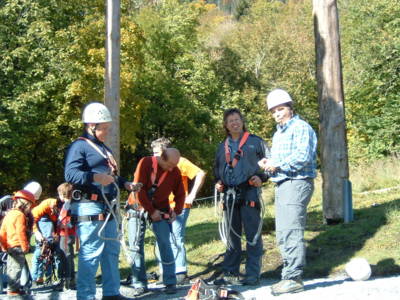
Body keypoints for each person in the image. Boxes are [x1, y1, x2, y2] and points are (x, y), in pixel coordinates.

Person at [64, 102, 137, 300]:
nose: (107, 132)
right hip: (90, 204)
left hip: (108, 206)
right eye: (103, 128)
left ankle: (111, 293)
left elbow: (110, 175)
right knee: (90, 252)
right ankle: (86, 296)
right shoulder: (79, 146)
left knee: (111, 250)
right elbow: (71, 173)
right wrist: (94, 178)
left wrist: (125, 184)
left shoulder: (103, 149)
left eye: (107, 128)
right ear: (91, 126)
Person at [259, 88, 317, 295]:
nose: (277, 114)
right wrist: (269, 163)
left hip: (298, 182)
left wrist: (277, 165)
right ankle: (289, 276)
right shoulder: (278, 134)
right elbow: (280, 161)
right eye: (273, 111)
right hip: (283, 184)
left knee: (291, 230)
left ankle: (294, 277)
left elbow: (303, 157)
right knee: (283, 232)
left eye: (281, 109)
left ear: (290, 108)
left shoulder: (301, 127)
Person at [214, 108, 269, 286]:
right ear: (226, 125)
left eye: (237, 119)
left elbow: (271, 163)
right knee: (231, 236)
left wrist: (262, 177)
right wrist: (217, 182)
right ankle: (231, 273)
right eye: (230, 121)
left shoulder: (255, 142)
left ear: (242, 121)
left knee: (252, 235)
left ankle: (253, 274)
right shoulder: (222, 147)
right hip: (229, 196)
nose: (234, 123)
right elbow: (217, 170)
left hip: (250, 192)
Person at [126, 147, 185, 296]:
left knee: (165, 243)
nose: (172, 168)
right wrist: (151, 211)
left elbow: (180, 193)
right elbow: (139, 190)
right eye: (170, 164)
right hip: (138, 207)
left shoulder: (175, 171)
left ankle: (170, 281)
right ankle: (140, 283)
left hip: (161, 209)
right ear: (162, 158)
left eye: (175, 165)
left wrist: (176, 211)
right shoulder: (145, 163)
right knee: (135, 246)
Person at [151, 138, 206, 284]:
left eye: (156, 152)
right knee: (161, 239)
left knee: (175, 238)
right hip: (160, 207)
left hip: (178, 207)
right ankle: (164, 272)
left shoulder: (181, 161)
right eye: (153, 153)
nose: (154, 155)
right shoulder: (154, 164)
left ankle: (180, 272)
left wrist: (192, 195)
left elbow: (200, 173)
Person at [0, 181, 42, 294]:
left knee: (11, 267)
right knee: (17, 268)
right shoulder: (20, 215)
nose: (30, 209)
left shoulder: (9, 214)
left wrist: (3, 246)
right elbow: (20, 232)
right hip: (18, 246)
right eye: (30, 206)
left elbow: (2, 231)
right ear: (26, 204)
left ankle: (12, 287)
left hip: (9, 246)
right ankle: (13, 289)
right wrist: (25, 246)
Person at [30, 192, 66, 290]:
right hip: (42, 222)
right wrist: (36, 232)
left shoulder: (63, 208)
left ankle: (48, 277)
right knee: (41, 251)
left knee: (52, 252)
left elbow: (58, 222)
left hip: (52, 226)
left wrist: (57, 234)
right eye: (58, 210)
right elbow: (33, 217)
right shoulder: (47, 204)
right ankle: (35, 278)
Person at [56, 182, 76, 290]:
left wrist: (64, 224)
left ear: (63, 194)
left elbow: (71, 220)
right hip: (64, 234)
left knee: (66, 256)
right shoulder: (67, 205)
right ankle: (68, 278)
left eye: (59, 194)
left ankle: (68, 280)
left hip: (66, 234)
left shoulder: (69, 205)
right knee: (65, 255)